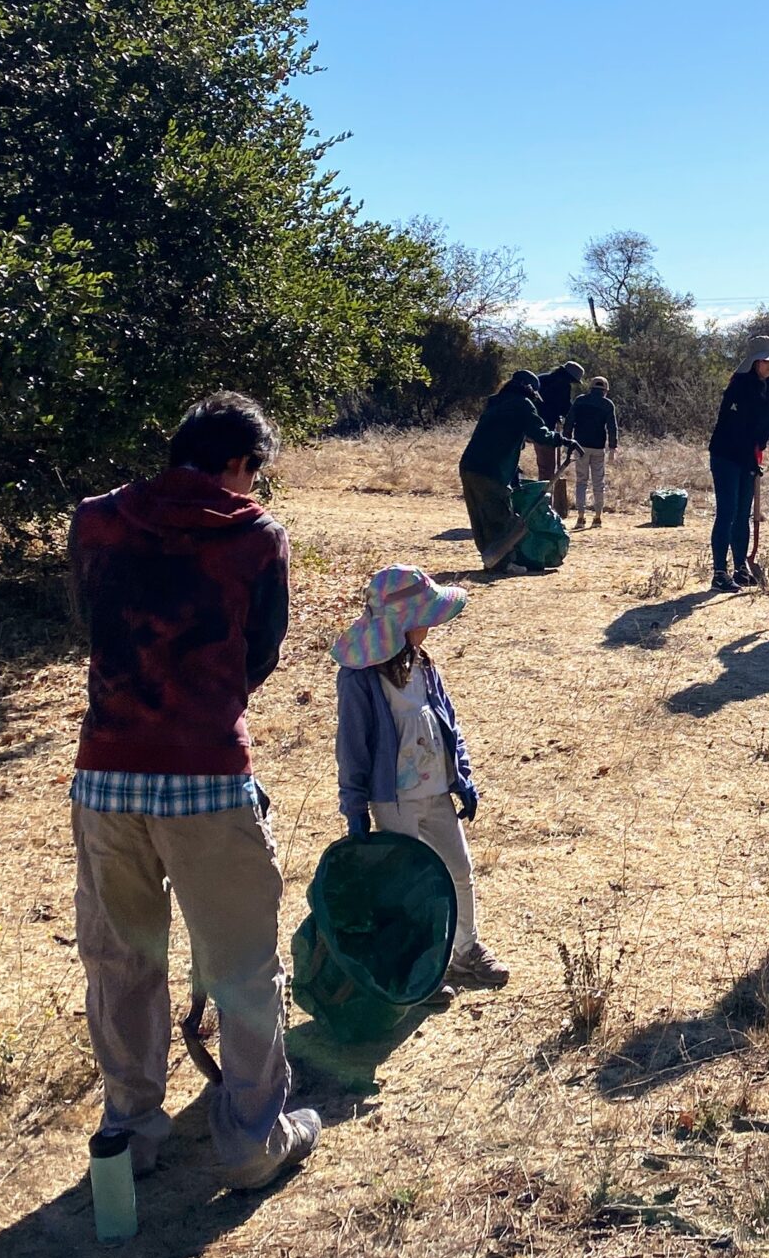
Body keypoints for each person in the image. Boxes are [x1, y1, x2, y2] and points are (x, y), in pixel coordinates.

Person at [68, 392, 316, 1191]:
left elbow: (92, 624)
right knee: (242, 962)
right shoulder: (255, 538)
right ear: (241, 464)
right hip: (207, 777)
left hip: (105, 775)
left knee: (119, 959)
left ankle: (131, 1125)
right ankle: (250, 1136)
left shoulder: (97, 519)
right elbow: (261, 652)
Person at [332, 565, 509, 990]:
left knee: (459, 869)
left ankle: (466, 952)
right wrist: (354, 807)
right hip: (395, 801)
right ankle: (419, 971)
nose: (430, 625)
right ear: (400, 625)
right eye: (422, 618)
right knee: (412, 884)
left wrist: (462, 775)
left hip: (435, 792)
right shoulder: (361, 680)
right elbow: (353, 747)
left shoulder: (424, 666)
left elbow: (449, 722)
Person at [458, 371, 565, 571]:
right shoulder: (522, 404)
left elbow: (500, 438)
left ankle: (490, 559)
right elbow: (540, 434)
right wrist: (562, 439)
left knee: (480, 518)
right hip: (491, 469)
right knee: (501, 517)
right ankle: (504, 563)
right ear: (529, 388)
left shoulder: (496, 402)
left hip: (469, 465)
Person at [708, 333, 769, 592]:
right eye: (765, 360)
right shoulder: (738, 387)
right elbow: (734, 426)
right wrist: (750, 451)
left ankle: (740, 568)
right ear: (754, 362)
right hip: (727, 455)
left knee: (743, 513)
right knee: (728, 512)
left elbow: (768, 424)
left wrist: (758, 449)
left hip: (749, 456)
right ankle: (719, 572)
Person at [528, 361, 587, 514]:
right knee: (548, 468)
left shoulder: (541, 379)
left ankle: (538, 502)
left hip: (526, 426)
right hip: (545, 430)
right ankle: (543, 505)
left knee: (540, 465)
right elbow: (565, 407)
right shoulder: (563, 386)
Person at [566, 375, 619, 527]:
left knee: (581, 482)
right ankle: (597, 517)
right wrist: (612, 447)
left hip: (580, 446)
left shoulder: (580, 400)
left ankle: (580, 518)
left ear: (590, 388)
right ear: (605, 390)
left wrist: (566, 441)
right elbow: (612, 427)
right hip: (598, 448)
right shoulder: (607, 404)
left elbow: (570, 421)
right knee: (598, 483)